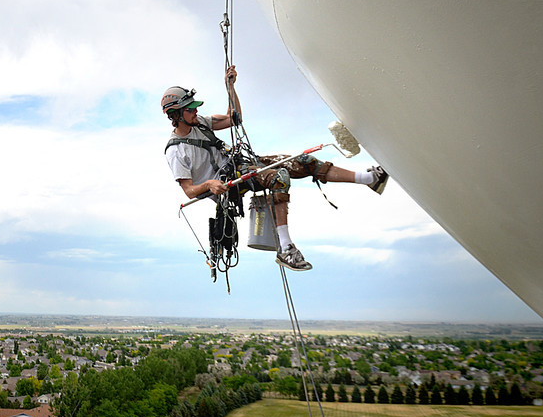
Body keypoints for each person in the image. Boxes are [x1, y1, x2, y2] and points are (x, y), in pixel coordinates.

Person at [162, 66, 388, 271]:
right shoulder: (176, 151)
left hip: (241, 164)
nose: (194, 111)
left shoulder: (200, 122)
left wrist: (230, 87)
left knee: (305, 161)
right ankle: (286, 248)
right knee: (279, 178)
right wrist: (210, 184)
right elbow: (190, 190)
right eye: (189, 109)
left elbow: (234, 118)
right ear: (176, 114)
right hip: (229, 184)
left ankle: (369, 179)